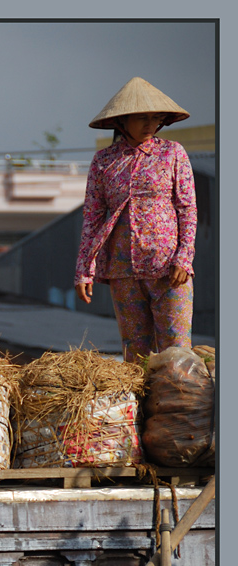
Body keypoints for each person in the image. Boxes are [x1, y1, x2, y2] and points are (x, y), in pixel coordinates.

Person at [74, 77, 197, 364]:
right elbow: (92, 218)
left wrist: (184, 257)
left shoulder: (172, 153)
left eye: (155, 118)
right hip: (123, 271)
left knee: (176, 353)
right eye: (142, 118)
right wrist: (84, 270)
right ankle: (141, 410)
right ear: (122, 122)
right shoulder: (104, 161)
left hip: (168, 269)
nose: (149, 125)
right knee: (135, 355)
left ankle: (177, 408)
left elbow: (187, 208)